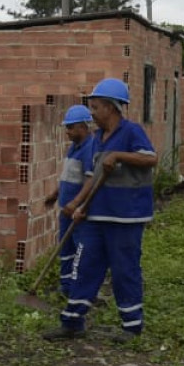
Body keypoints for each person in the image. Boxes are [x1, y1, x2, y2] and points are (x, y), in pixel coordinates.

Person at [48, 79, 157, 341]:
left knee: (124, 270)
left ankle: (132, 326)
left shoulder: (131, 132)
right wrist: (78, 203)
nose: (92, 113)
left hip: (126, 216)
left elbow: (150, 158)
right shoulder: (96, 139)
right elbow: (91, 177)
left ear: (110, 107)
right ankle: (73, 322)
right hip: (97, 214)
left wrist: (120, 156)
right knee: (85, 266)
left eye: (95, 107)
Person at [42, 104, 98, 299]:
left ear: (83, 127)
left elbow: (91, 181)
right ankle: (65, 287)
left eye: (71, 127)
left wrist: (75, 203)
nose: (67, 132)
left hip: (78, 213)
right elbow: (68, 177)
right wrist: (55, 195)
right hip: (65, 210)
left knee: (79, 251)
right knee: (64, 249)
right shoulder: (73, 149)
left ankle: (78, 289)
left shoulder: (90, 149)